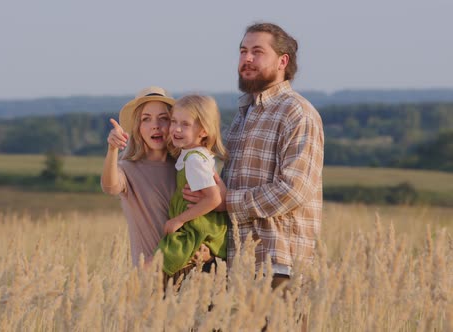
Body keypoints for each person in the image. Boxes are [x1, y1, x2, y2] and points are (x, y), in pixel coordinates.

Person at [184, 22, 324, 289]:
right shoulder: (244, 113)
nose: (247, 59)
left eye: (257, 52)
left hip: (278, 265)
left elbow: (293, 190)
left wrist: (228, 202)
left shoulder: (297, 113)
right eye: (242, 51)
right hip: (237, 263)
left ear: (283, 61)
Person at [101, 86, 177, 267]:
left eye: (163, 118)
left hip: (189, 276)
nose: (155, 125)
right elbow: (110, 186)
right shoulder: (128, 169)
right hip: (147, 277)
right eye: (146, 119)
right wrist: (112, 150)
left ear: (173, 124)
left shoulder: (185, 167)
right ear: (138, 127)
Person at [156, 95, 228, 279]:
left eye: (185, 124)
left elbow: (214, 198)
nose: (176, 129)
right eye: (173, 121)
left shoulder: (194, 159)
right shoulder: (192, 154)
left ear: (203, 131)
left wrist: (178, 220)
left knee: (149, 268)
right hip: (195, 226)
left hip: (194, 230)